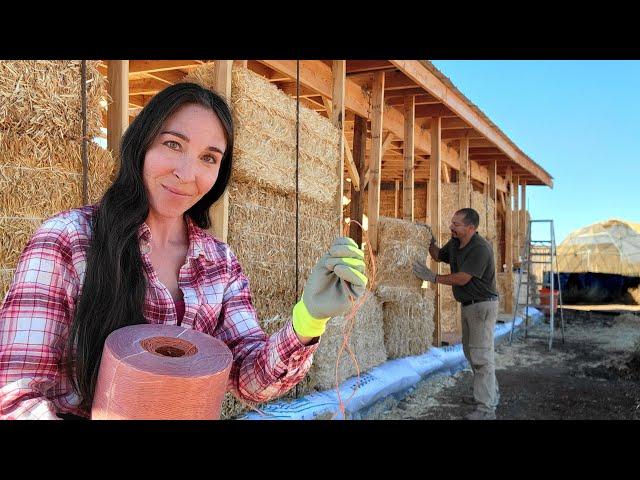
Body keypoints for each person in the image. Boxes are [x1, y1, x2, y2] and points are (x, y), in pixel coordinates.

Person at [0, 82, 367, 420]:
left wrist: (308, 320)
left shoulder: (219, 263)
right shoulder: (68, 241)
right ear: (141, 144)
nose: (187, 172)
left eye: (209, 157)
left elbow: (249, 379)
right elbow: (14, 397)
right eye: (173, 144)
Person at [413, 208, 499, 420]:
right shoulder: (454, 243)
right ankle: (488, 394)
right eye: (452, 222)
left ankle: (487, 409)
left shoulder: (480, 248)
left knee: (481, 357)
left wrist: (433, 278)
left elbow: (463, 278)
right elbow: (437, 255)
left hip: (482, 306)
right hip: (469, 305)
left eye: (456, 224)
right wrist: (429, 240)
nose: (452, 227)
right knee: (472, 353)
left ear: (471, 228)